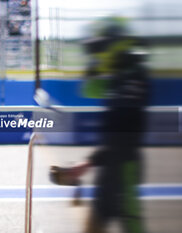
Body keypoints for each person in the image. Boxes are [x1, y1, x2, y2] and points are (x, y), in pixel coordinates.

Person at [52, 17, 150, 233]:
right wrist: (95, 65)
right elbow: (89, 90)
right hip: (111, 166)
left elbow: (123, 138)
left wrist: (86, 164)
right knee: (94, 225)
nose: (97, 54)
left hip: (124, 166)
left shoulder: (133, 77)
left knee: (130, 224)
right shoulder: (120, 77)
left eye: (102, 47)